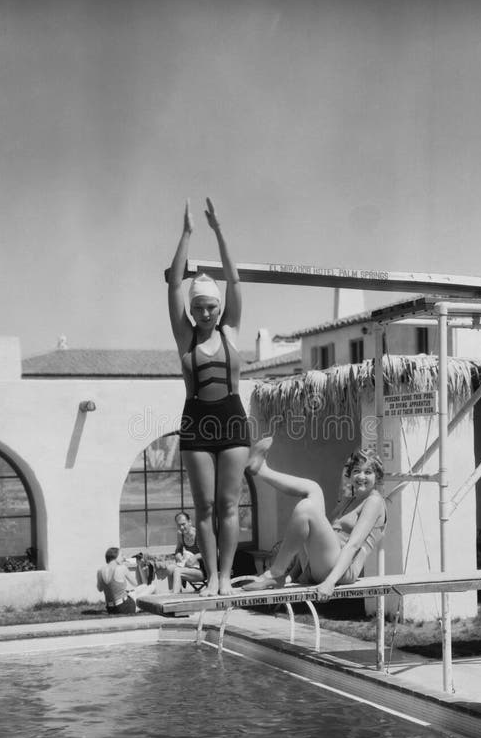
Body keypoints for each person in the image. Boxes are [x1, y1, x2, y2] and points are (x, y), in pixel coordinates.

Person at [167, 198, 250, 596]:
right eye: (198, 307)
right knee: (204, 508)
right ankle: (210, 572)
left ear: (219, 309)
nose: (204, 313)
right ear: (192, 309)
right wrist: (186, 234)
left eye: (210, 307)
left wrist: (218, 230)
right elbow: (173, 283)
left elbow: (235, 281)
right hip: (197, 422)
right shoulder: (186, 338)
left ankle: (224, 577)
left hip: (232, 420)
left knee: (230, 505)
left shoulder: (230, 330)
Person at [242, 439, 387, 601]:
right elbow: (312, 537)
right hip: (320, 565)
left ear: (378, 476)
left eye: (368, 472)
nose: (361, 476)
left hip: (342, 571)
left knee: (307, 507)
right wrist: (291, 576)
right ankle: (261, 470)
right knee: (314, 489)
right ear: (351, 474)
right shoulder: (350, 500)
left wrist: (330, 583)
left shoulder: (374, 501)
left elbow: (353, 545)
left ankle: (275, 572)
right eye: (357, 471)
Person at [96, 547, 155, 614]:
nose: (124, 558)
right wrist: (141, 567)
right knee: (152, 587)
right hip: (125, 607)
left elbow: (100, 589)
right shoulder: (122, 568)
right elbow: (135, 584)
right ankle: (159, 608)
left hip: (110, 609)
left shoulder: (100, 571)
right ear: (115, 557)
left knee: (141, 588)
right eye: (121, 555)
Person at [165, 511, 207, 593]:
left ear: (190, 522)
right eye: (178, 525)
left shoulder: (199, 534)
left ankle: (174, 598)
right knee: (169, 569)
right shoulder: (180, 534)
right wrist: (178, 554)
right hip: (188, 566)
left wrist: (195, 557)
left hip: (203, 570)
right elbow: (178, 548)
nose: (181, 527)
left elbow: (210, 552)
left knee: (177, 571)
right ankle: (176, 592)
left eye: (183, 524)